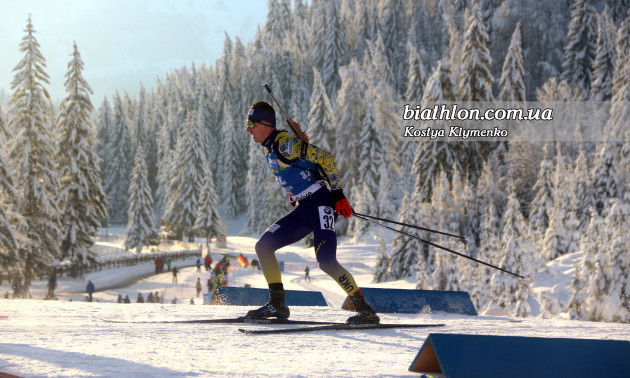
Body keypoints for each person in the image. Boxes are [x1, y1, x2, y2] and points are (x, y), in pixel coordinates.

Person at [242, 101, 379, 324]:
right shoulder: (269, 147)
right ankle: (277, 305)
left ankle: (365, 310)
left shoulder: (285, 144)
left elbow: (326, 159)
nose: (248, 129)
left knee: (326, 261)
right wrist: (294, 192)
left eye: (251, 123)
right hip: (304, 208)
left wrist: (339, 195)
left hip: (321, 204)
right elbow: (299, 171)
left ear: (266, 124)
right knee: (263, 246)